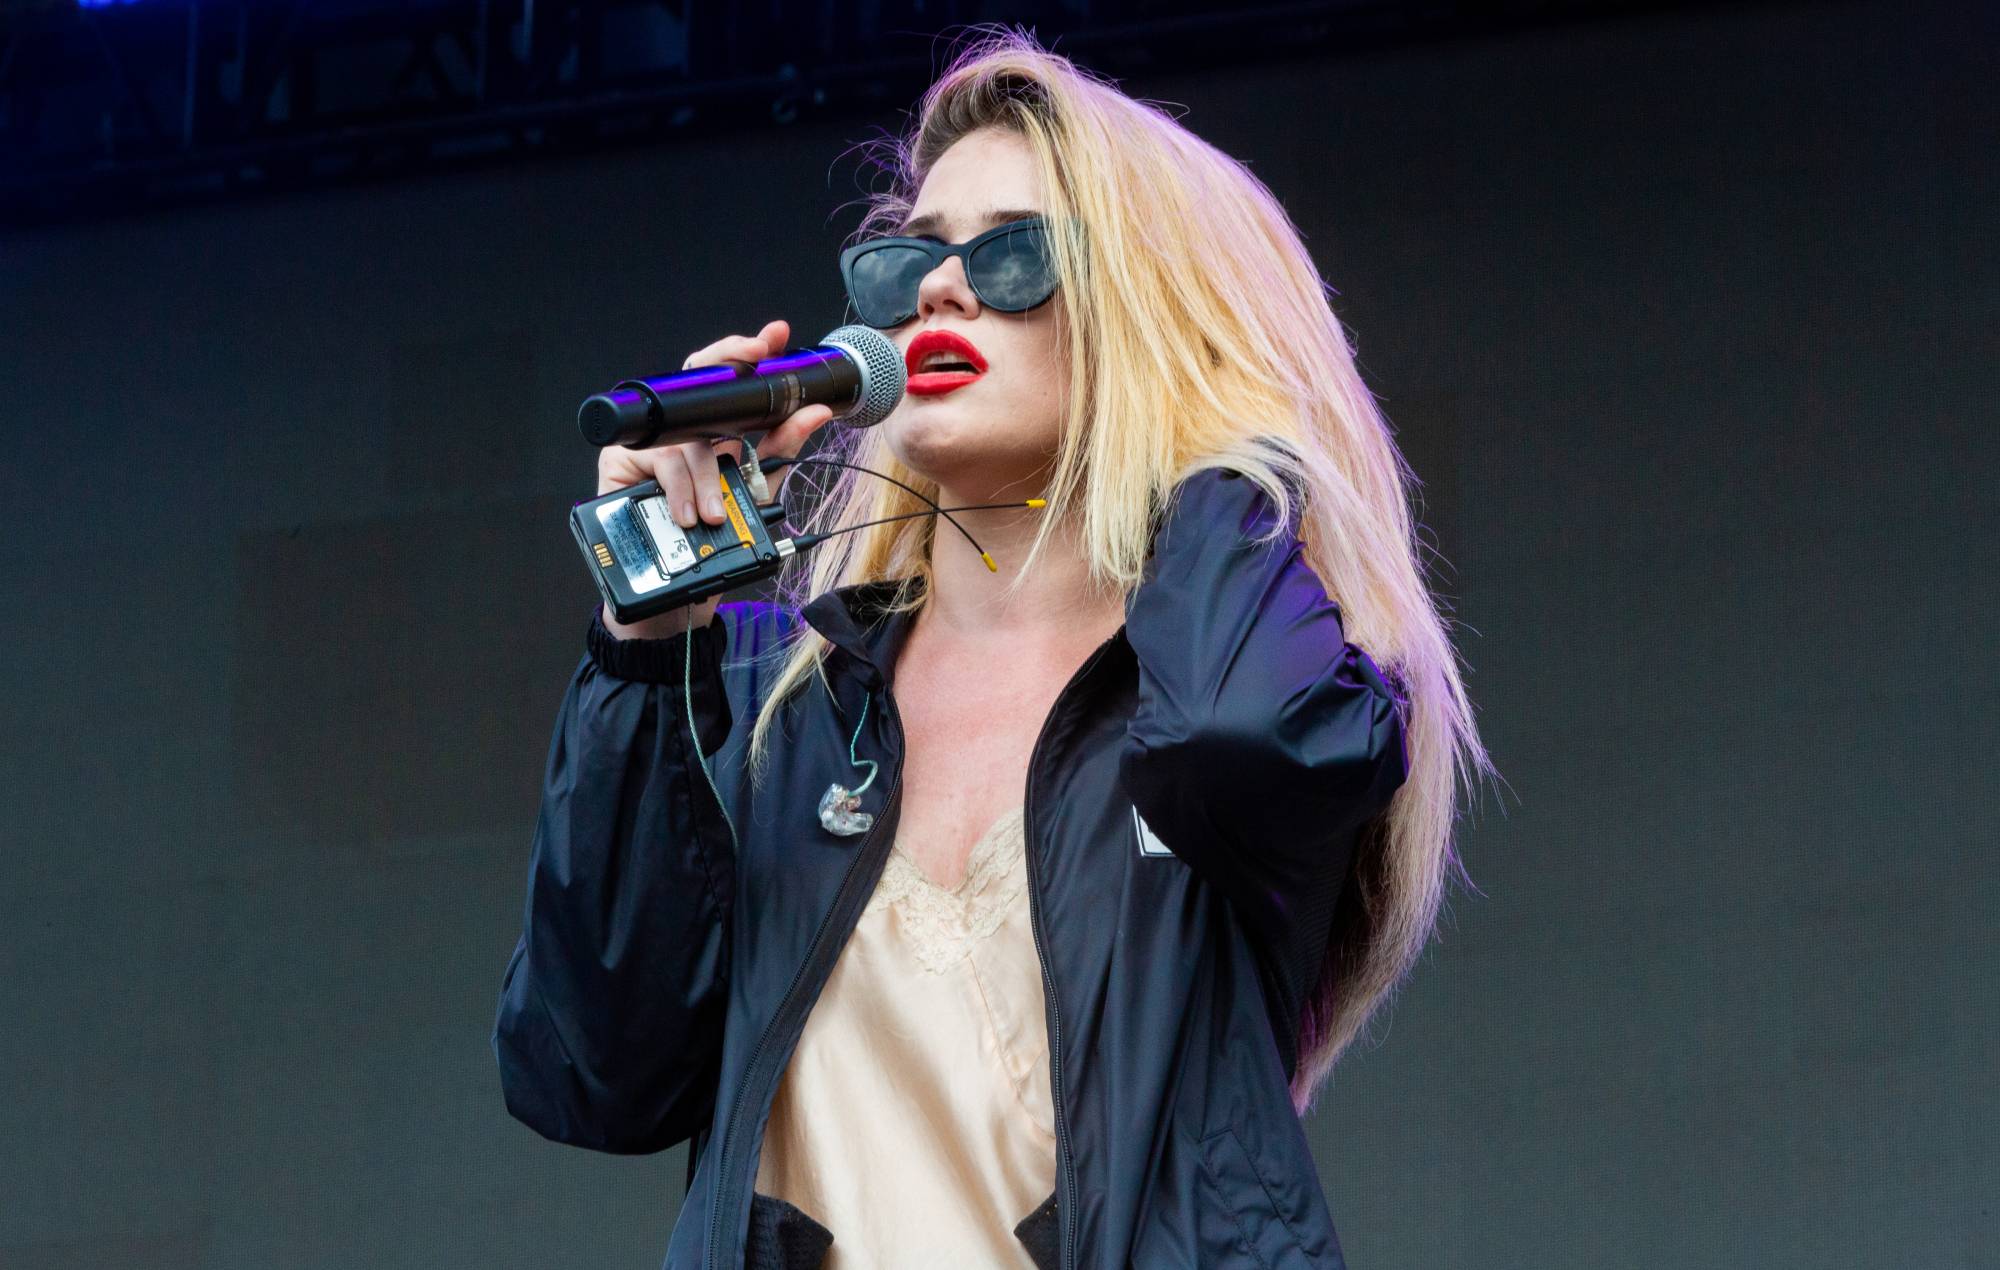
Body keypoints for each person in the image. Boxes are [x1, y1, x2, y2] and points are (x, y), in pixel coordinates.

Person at [493, 27, 1492, 1270]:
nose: (938, 290)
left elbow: (1245, 741)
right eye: (908, 257)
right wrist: (649, 632)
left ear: (1152, 314)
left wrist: (1223, 441)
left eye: (1014, 255)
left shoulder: (1243, 671)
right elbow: (593, 1069)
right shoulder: (773, 699)